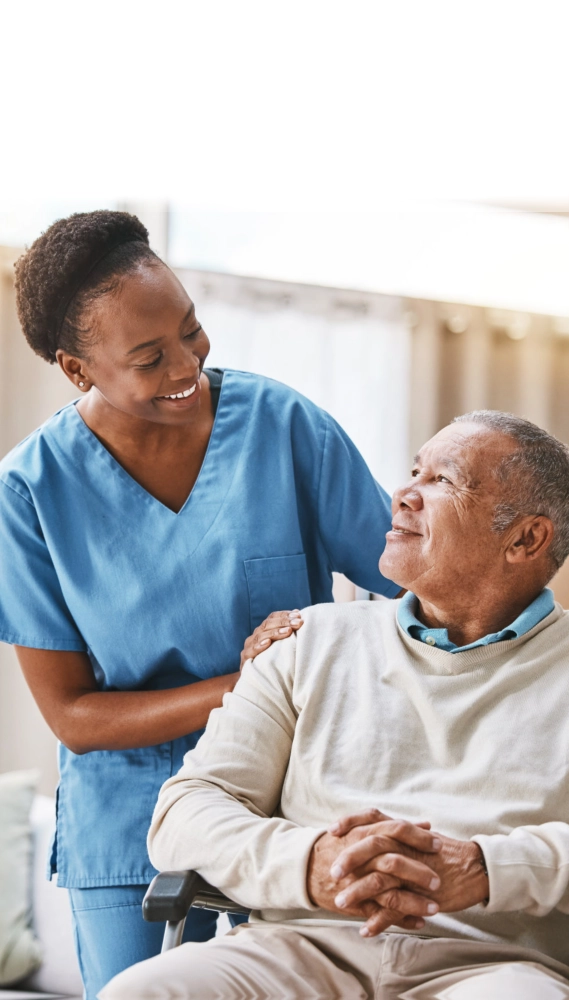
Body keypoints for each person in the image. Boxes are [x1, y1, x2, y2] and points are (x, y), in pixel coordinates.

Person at [0, 210, 400, 999]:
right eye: (150, 357)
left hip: (293, 802)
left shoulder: (283, 427)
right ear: (79, 371)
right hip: (128, 820)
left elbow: (413, 585)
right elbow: (74, 715)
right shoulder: (29, 494)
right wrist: (249, 684)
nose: (186, 365)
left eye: (192, 330)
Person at [103, 412, 569, 999]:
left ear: (525, 538)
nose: (404, 494)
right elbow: (186, 810)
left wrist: (486, 867)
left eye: (445, 481)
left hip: (498, 968)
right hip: (297, 951)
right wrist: (310, 860)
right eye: (415, 470)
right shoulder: (306, 640)